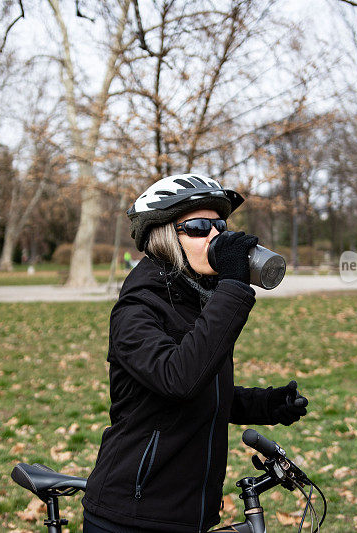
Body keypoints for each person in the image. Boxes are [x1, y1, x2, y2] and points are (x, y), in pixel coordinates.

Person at [82, 174, 309, 533]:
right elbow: (179, 380)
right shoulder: (136, 310)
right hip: (131, 517)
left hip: (190, 516)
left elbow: (201, 387)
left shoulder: (197, 303)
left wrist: (266, 405)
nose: (216, 235)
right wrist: (233, 286)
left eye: (219, 225)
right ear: (164, 237)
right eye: (200, 227)